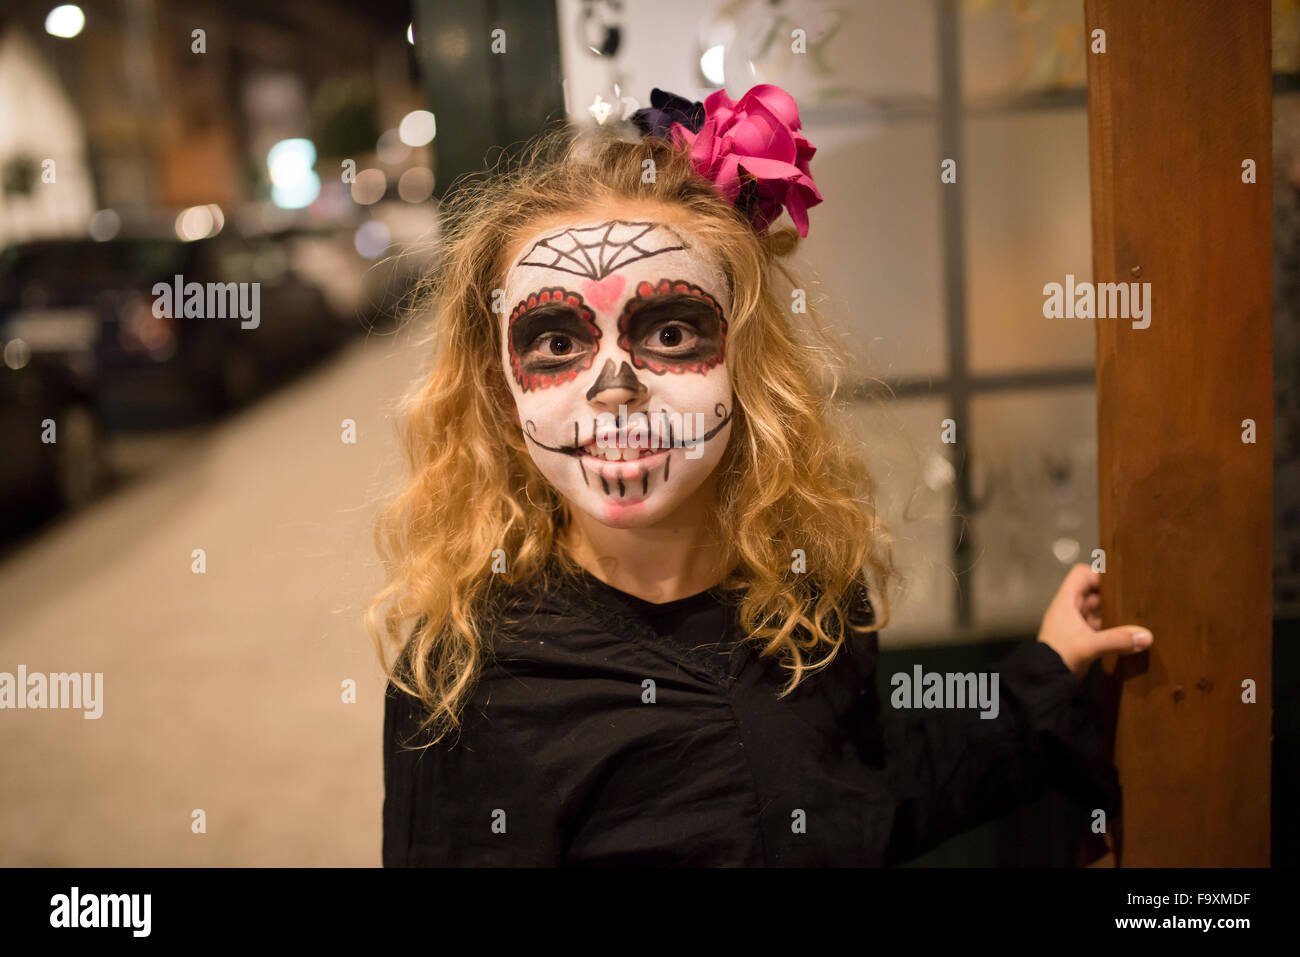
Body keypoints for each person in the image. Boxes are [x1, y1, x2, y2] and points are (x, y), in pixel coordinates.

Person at [369, 84, 1154, 866]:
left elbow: (866, 803)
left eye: (671, 331)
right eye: (555, 346)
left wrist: (1044, 673)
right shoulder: (464, 688)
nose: (615, 386)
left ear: (747, 366)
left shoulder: (808, 602)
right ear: (503, 395)